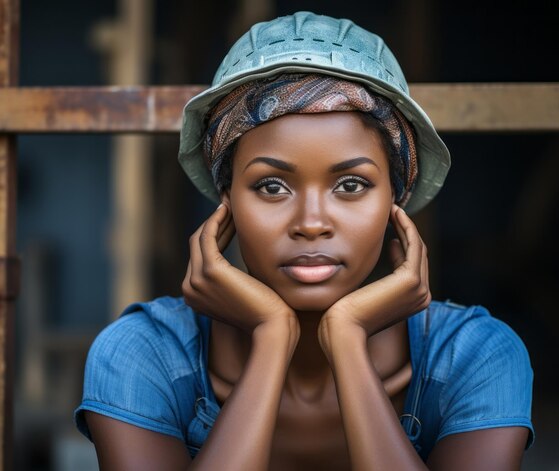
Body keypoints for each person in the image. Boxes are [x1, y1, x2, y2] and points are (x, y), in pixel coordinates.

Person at [75, 11, 534, 470]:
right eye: (272, 186)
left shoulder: (478, 357)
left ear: (397, 197)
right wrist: (272, 336)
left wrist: (348, 339)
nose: (311, 223)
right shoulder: (140, 357)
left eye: (351, 185)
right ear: (227, 200)